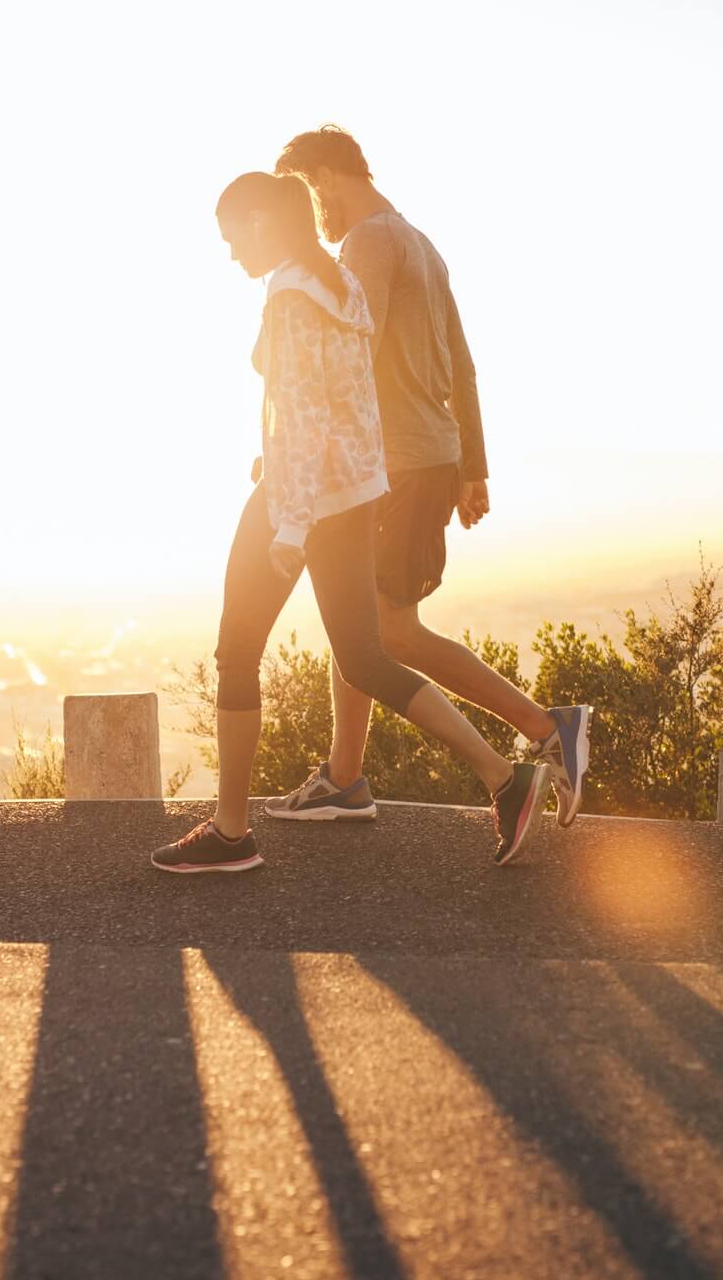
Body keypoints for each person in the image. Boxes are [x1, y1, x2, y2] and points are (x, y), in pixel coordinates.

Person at [152, 172, 550, 875]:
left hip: (295, 499)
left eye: (231, 234)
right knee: (365, 656)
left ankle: (232, 833)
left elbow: (305, 417)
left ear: (260, 221)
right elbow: (357, 405)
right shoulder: (342, 288)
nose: (229, 253)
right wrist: (358, 488)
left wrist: (289, 525)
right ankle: (503, 777)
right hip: (353, 495)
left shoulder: (290, 298)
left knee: (237, 652)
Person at [264, 126, 592, 827]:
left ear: (324, 177)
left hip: (397, 462)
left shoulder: (365, 245)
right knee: (359, 623)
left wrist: (298, 442)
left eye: (304, 190)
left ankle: (544, 728)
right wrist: (472, 465)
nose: (309, 209)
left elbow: (349, 357)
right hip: (423, 457)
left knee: (389, 633)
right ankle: (345, 777)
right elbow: (463, 365)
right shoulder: (420, 242)